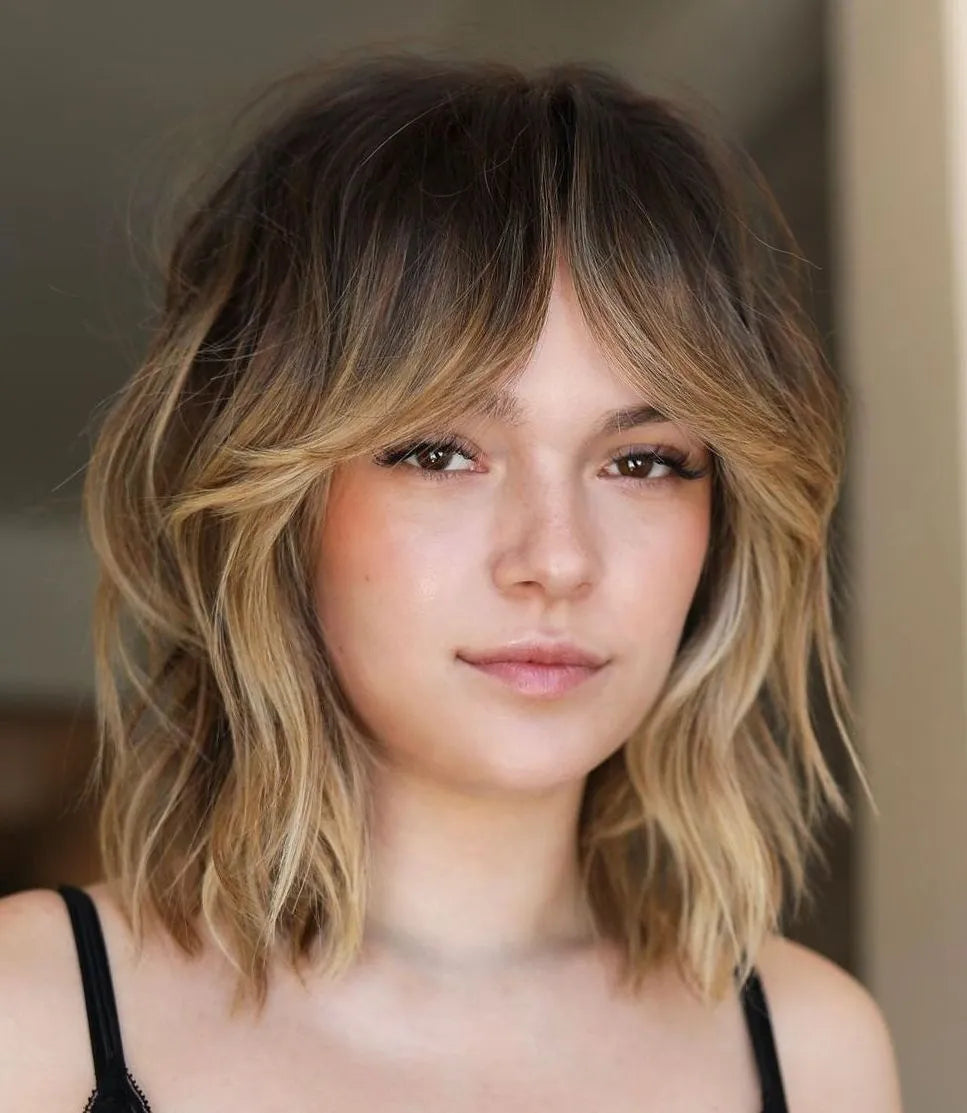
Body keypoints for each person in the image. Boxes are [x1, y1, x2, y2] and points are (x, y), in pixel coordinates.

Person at [0, 53, 903, 1111]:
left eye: (642, 461)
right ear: (274, 500)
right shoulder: (37, 1015)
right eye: (438, 452)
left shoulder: (807, 1051)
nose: (557, 560)